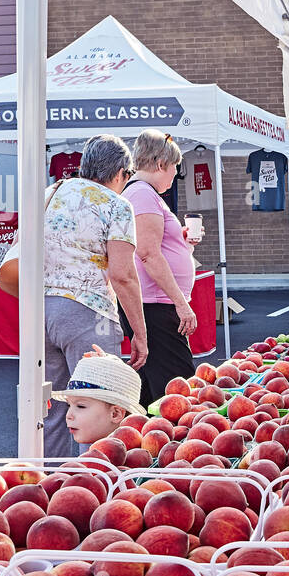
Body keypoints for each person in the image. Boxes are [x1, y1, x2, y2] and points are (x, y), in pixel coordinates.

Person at [41, 134, 148, 458]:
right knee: (96, 409)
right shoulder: (116, 205)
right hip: (88, 310)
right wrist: (140, 333)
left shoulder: (51, 192)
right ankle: (93, 487)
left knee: (50, 409)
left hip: (39, 310)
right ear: (120, 172)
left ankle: (49, 488)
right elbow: (123, 275)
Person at [119, 130, 199, 405]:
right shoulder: (142, 194)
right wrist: (181, 302)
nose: (175, 174)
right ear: (160, 164)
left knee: (155, 387)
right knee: (177, 389)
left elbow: (154, 248)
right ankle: (176, 443)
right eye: (175, 167)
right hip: (155, 306)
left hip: (154, 304)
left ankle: (152, 442)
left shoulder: (143, 194)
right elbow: (148, 253)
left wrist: (183, 243)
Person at [57, 346, 145, 446]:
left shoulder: (125, 460)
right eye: (69, 405)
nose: (68, 416)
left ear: (115, 414)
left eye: (80, 406)